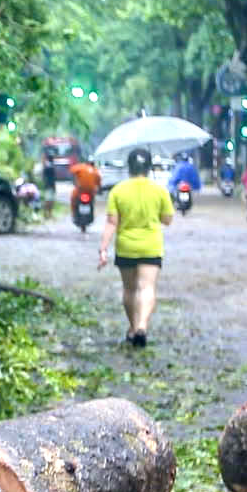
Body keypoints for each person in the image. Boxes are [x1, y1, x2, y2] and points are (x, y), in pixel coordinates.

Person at [98, 146, 173, 348]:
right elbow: (167, 220)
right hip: (151, 246)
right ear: (149, 167)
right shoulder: (159, 190)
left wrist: (103, 249)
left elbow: (112, 223)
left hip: (126, 247)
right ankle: (142, 326)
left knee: (130, 289)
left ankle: (132, 328)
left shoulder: (117, 191)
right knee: (147, 288)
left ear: (128, 167)